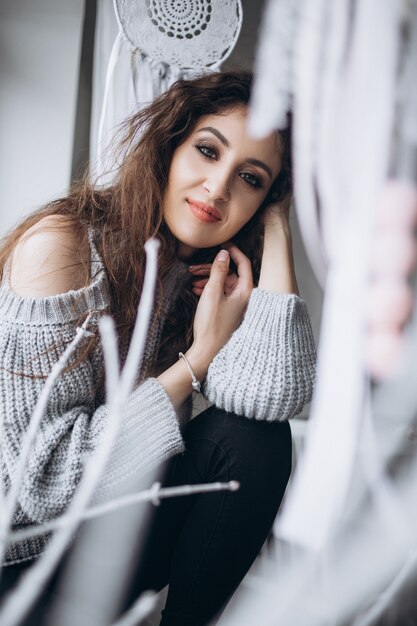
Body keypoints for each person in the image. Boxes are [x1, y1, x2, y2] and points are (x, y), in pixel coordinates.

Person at [0, 71, 316, 625]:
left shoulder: (194, 277)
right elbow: (45, 486)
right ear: (169, 147)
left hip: (109, 532)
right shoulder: (62, 247)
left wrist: (277, 229)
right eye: (207, 151)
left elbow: (272, 399)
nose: (219, 188)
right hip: (24, 558)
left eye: (250, 178)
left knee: (253, 440)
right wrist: (198, 360)